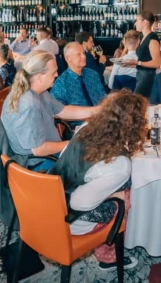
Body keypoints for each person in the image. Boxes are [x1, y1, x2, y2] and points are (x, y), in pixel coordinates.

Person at [49, 90, 148, 271]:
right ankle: (110, 257)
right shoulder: (119, 165)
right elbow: (80, 203)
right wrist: (115, 195)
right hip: (68, 220)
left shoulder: (85, 129)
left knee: (111, 187)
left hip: (47, 203)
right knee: (126, 196)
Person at [1, 50, 100, 162]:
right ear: (39, 77)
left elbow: (63, 111)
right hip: (42, 163)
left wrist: (99, 110)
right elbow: (39, 150)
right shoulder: (28, 104)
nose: (57, 75)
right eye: (53, 72)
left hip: (52, 153)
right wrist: (73, 144)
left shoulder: (41, 92)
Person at [51, 42, 106, 107]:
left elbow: (103, 97)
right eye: (78, 54)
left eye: (83, 53)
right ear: (67, 58)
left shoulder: (93, 74)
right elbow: (57, 111)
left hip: (101, 114)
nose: (84, 57)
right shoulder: (61, 83)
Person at [122, 11, 160, 98]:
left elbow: (157, 63)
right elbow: (145, 59)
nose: (135, 23)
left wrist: (137, 63)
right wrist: (132, 64)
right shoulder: (143, 37)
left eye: (137, 20)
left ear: (144, 22)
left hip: (147, 77)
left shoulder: (152, 38)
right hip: (141, 74)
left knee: (136, 102)